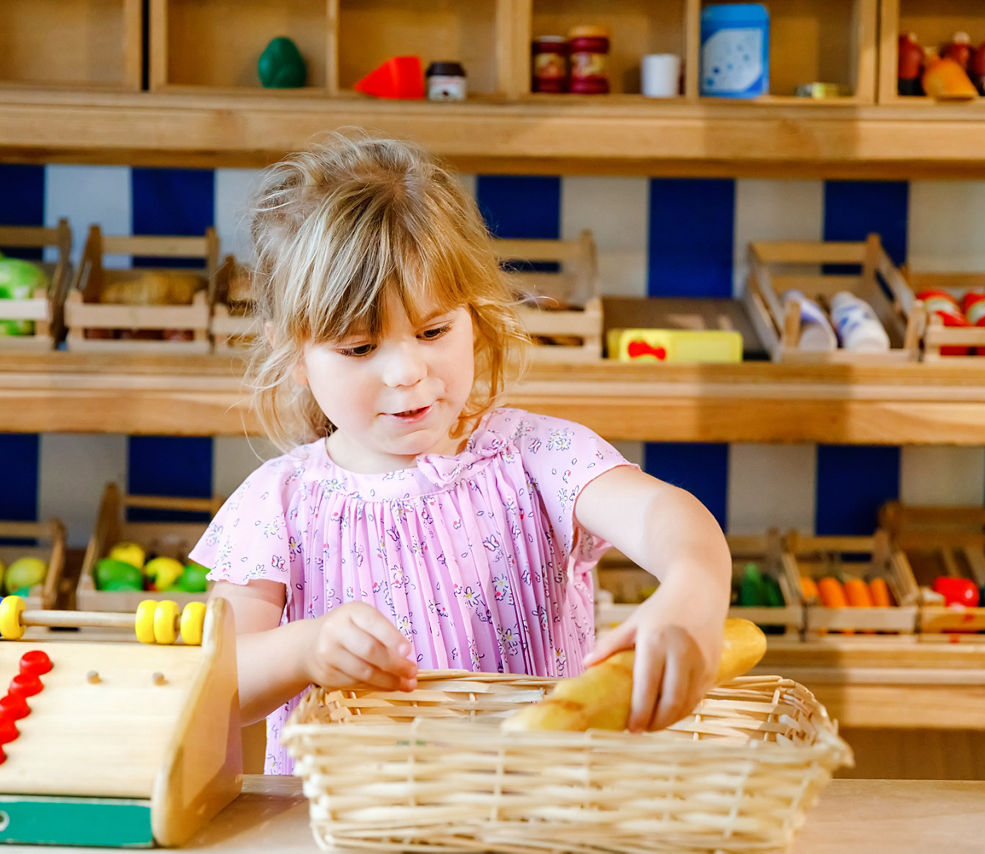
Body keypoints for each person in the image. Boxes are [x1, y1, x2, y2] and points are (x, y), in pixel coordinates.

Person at [191, 132, 731, 774]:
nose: (407, 373)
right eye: (361, 348)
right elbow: (216, 681)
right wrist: (304, 649)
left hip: (534, 819)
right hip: (350, 829)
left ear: (474, 317)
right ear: (295, 354)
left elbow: (665, 518)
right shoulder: (273, 505)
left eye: (433, 330)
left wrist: (692, 591)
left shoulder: (535, 456)